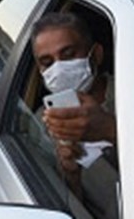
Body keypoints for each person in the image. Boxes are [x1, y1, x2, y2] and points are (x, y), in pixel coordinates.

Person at [30, 12, 115, 201]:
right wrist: (71, 173)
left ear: (96, 54)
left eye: (68, 55)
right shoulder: (44, 123)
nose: (59, 69)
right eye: (47, 62)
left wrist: (111, 129)